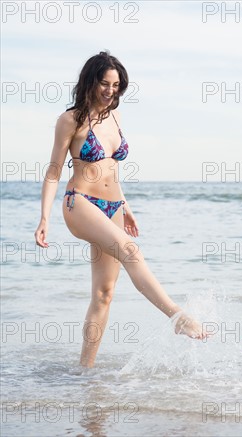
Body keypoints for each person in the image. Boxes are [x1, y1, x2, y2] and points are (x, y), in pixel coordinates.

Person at [34, 51, 206, 368]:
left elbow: (111, 167)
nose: (110, 91)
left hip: (112, 206)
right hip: (80, 203)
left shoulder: (116, 115)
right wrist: (44, 217)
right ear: (90, 81)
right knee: (131, 251)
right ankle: (177, 317)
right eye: (104, 83)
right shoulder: (70, 120)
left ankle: (84, 372)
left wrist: (124, 204)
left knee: (104, 293)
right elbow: (54, 171)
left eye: (116, 85)